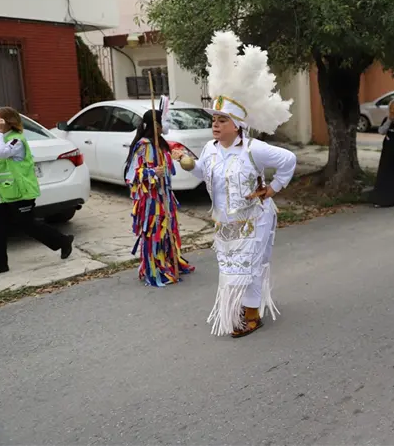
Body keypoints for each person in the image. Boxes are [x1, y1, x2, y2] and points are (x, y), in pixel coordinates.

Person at [182, 30, 297, 338]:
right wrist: (191, 165)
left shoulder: (253, 149)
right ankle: (240, 307)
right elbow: (205, 175)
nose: (215, 125)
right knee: (230, 266)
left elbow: (288, 161)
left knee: (251, 264)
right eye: (214, 120)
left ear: (237, 125)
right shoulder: (209, 149)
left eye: (222, 121)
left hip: (255, 218)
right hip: (225, 220)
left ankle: (251, 314)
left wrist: (273, 189)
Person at [0, 107, 74, 274]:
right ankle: (0, 265)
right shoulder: (1, 139)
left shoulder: (16, 140)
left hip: (20, 192)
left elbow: (1, 153)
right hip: (3, 193)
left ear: (8, 122)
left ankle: (62, 241)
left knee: (27, 224)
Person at [124, 108, 195, 287]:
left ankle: (170, 261)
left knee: (168, 230)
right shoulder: (143, 146)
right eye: (163, 121)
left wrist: (178, 156)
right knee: (154, 232)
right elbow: (132, 174)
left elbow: (171, 161)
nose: (166, 124)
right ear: (156, 125)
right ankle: (154, 268)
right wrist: (152, 172)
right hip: (151, 200)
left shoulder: (161, 144)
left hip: (166, 197)